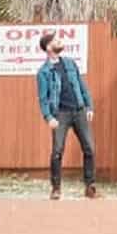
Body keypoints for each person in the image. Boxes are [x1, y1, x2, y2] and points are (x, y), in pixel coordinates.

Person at [35, 31, 97, 199]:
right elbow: (43, 98)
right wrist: (49, 117)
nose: (60, 41)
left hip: (79, 111)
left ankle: (90, 186)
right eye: (56, 40)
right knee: (57, 151)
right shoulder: (44, 72)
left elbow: (82, 86)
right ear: (48, 47)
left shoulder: (70, 63)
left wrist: (89, 106)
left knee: (89, 148)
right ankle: (56, 188)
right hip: (60, 114)